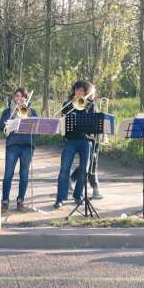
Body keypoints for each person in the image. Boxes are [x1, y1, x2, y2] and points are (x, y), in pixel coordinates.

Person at [54, 81, 96, 209]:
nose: (79, 92)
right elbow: (63, 123)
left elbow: (93, 125)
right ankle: (60, 198)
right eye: (77, 90)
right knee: (64, 169)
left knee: (84, 170)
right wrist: (72, 108)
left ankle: (78, 196)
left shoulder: (90, 106)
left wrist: (86, 105)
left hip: (86, 140)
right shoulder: (67, 105)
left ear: (86, 92)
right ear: (74, 91)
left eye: (82, 90)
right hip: (70, 140)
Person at [0, 87, 37, 213]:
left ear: (26, 98)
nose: (19, 99)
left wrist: (29, 115)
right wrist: (11, 116)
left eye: (22, 96)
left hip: (27, 146)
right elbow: (1, 126)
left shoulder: (31, 111)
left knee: (24, 174)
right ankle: (5, 201)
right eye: (17, 96)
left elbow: (37, 127)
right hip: (12, 145)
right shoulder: (7, 111)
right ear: (14, 97)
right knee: (8, 174)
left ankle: (20, 200)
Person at [70, 82, 105, 200]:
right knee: (91, 163)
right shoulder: (85, 105)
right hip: (88, 138)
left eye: (93, 93)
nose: (93, 95)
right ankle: (95, 188)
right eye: (91, 92)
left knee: (91, 163)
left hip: (94, 138)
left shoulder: (92, 105)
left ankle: (72, 179)